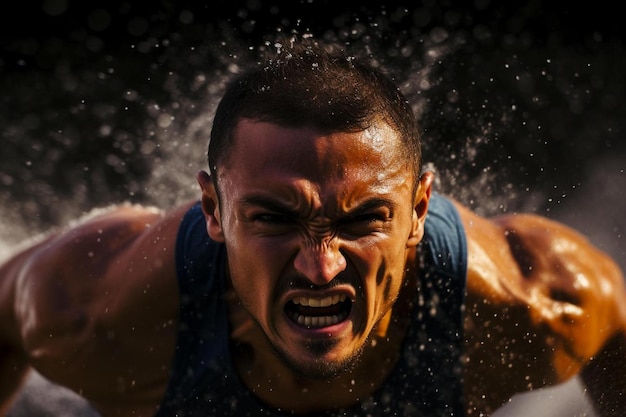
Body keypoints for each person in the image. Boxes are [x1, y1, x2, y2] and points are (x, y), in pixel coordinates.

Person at [1, 36, 625, 417]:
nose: (320, 266)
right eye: (275, 218)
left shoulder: (537, 307)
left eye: (363, 220)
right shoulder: (98, 316)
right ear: (214, 211)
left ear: (418, 211)